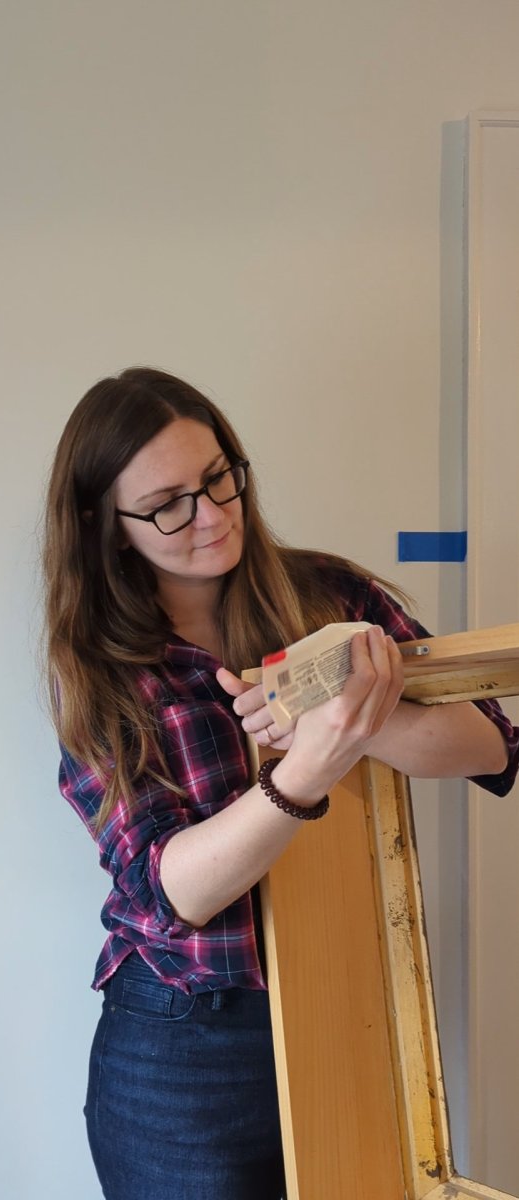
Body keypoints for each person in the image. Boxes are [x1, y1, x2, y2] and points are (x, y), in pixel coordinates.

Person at [42, 366, 518, 1200]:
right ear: (106, 526)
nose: (212, 515)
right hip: (184, 1050)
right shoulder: (99, 666)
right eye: (167, 504)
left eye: (218, 477)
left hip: (347, 1002)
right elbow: (169, 894)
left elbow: (493, 746)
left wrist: (356, 718)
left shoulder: (332, 596)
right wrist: (307, 769)